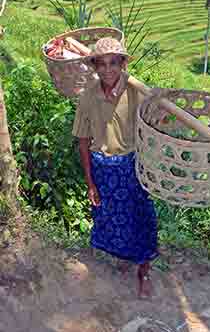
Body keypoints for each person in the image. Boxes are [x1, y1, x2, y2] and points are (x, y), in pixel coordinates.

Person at [72, 36, 158, 298]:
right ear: (95, 67)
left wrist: (161, 104)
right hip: (103, 168)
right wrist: (90, 183)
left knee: (140, 218)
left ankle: (144, 272)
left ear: (122, 64)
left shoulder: (137, 92)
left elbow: (158, 121)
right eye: (102, 64)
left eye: (113, 63)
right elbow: (83, 140)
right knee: (110, 218)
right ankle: (123, 257)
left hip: (131, 166)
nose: (108, 69)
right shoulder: (88, 95)